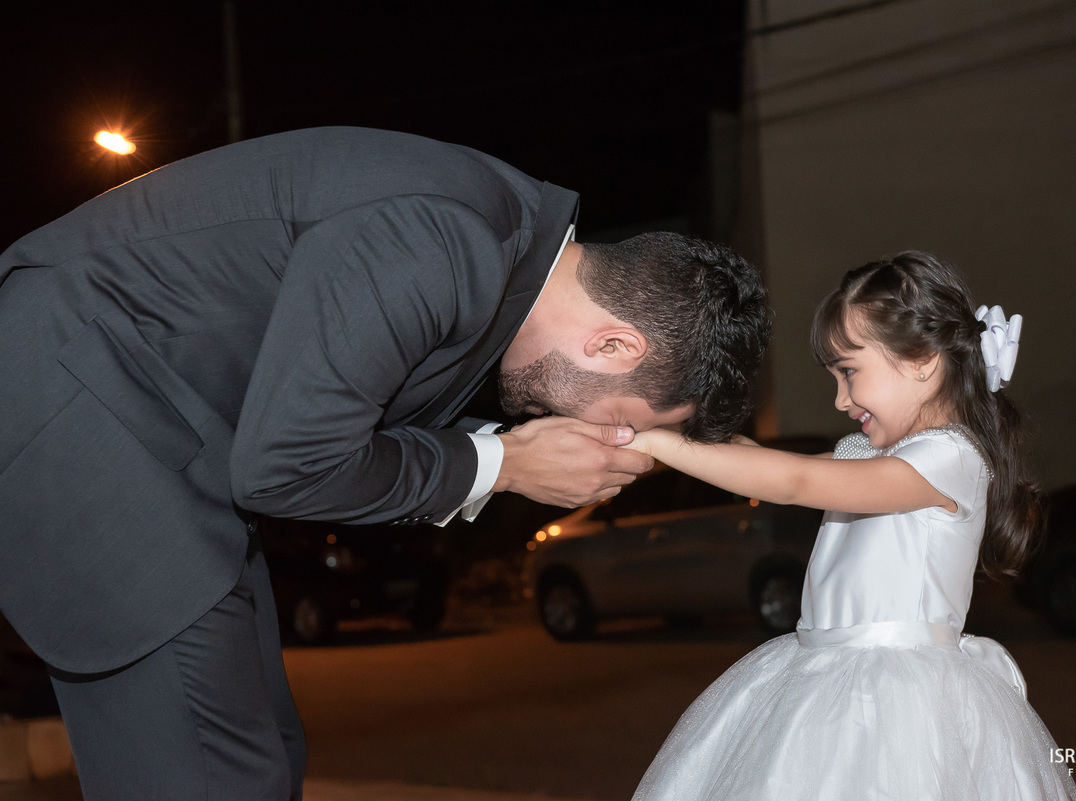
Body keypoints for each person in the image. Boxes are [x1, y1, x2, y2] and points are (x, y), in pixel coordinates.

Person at [0, 127, 772, 801]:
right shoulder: (441, 240)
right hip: (81, 412)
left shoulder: (487, 250)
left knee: (259, 750)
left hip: (165, 441)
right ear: (613, 346)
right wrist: (501, 466)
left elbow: (350, 421)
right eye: (627, 425)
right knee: (213, 771)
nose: (611, 443)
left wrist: (497, 454)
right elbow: (288, 463)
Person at [626, 251, 1076, 800]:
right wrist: (662, 424)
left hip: (897, 705)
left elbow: (794, 482)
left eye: (849, 372)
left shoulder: (949, 459)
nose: (840, 399)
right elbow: (762, 462)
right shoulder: (865, 451)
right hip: (820, 675)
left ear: (923, 362)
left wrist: (658, 444)